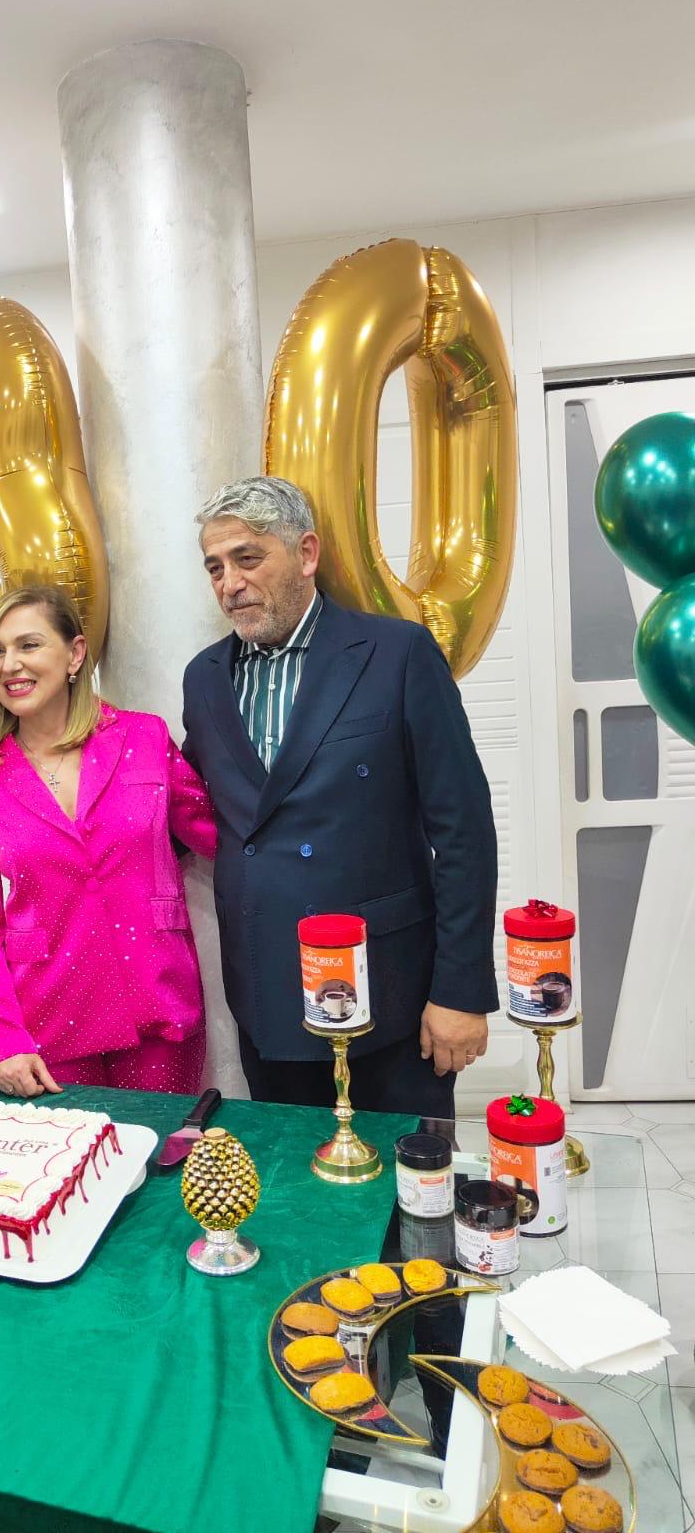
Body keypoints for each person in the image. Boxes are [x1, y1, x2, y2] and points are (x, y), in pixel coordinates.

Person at [181, 477, 498, 1117]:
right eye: (215, 567)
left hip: (391, 995)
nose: (230, 584)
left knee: (408, 1174)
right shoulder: (205, 678)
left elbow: (463, 830)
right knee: (292, 1176)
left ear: (306, 553)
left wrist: (460, 991)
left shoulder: (397, 653)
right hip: (268, 995)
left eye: (248, 558)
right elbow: (188, 808)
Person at [0, 584, 216, 1098]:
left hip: (160, 1002)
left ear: (74, 654)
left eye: (28, 645)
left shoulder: (145, 738)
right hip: (49, 1022)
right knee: (71, 1153)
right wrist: (3, 1040)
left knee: (164, 1146)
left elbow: (219, 835)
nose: (10, 665)